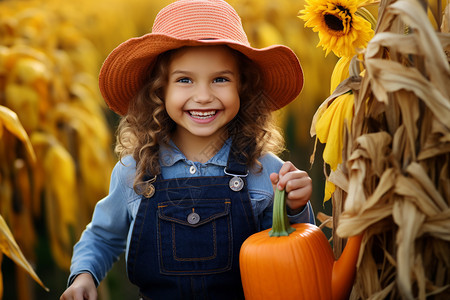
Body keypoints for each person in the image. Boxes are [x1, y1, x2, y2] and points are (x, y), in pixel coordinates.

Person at [60, 0, 314, 299]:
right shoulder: (134, 172)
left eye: (220, 79)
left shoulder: (265, 171)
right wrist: (84, 275)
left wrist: (295, 206)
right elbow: (103, 235)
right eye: (184, 80)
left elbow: (289, 249)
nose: (203, 96)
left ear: (242, 88)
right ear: (159, 91)